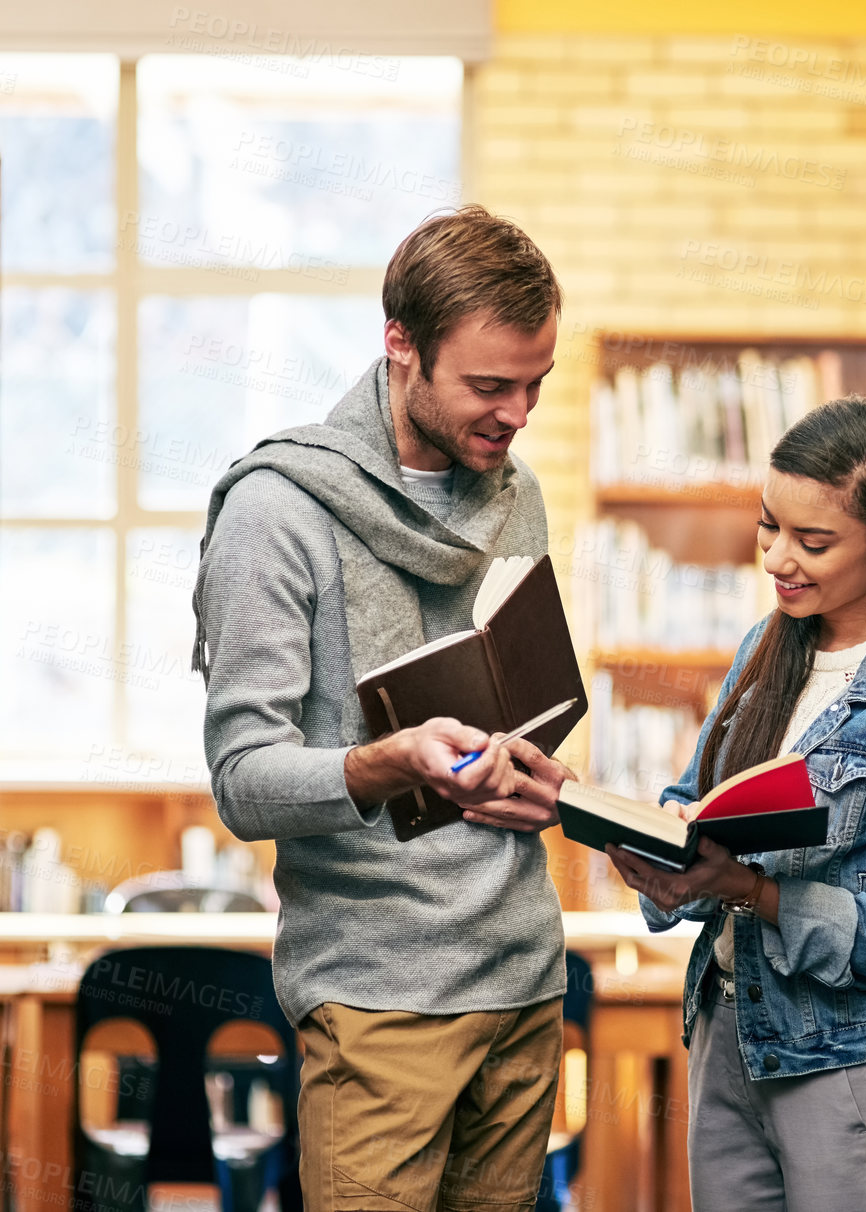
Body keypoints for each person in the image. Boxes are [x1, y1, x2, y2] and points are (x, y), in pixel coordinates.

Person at [192, 205, 577, 1212]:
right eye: (489, 386)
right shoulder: (277, 510)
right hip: (377, 996)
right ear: (399, 346)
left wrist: (533, 781)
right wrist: (385, 761)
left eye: (535, 385)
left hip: (525, 976)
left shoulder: (515, 494)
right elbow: (243, 782)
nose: (516, 414)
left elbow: (518, 701)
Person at [605, 397, 866, 1211]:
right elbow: (698, 798)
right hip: (729, 1032)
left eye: (813, 541)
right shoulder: (768, 649)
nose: (778, 559)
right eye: (769, 527)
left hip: (853, 1068)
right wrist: (659, 845)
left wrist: (748, 890)